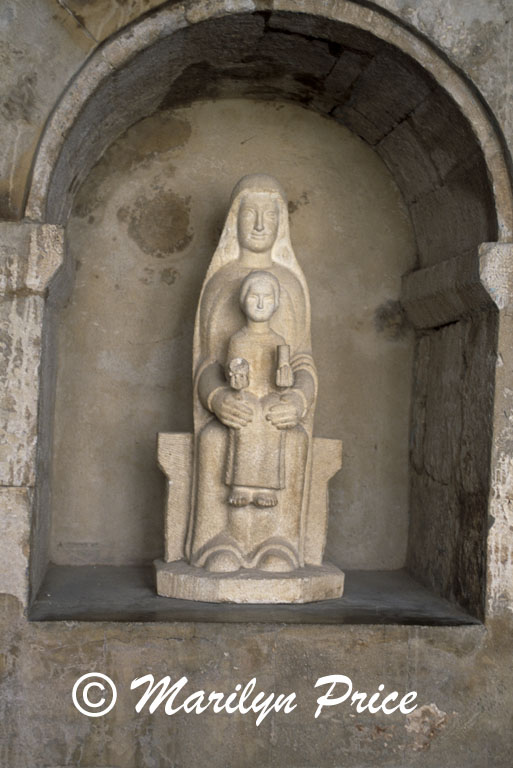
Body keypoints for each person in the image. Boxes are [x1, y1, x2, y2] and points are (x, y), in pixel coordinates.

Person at [188, 174, 317, 573]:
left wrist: (296, 399)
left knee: (293, 442)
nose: (260, 224)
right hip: (238, 407)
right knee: (213, 439)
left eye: (269, 214)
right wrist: (218, 398)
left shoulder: (291, 287)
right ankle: (217, 542)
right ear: (234, 221)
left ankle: (279, 543)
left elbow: (302, 362)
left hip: (275, 409)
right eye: (250, 214)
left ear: (281, 224)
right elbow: (207, 362)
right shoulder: (220, 284)